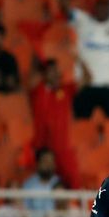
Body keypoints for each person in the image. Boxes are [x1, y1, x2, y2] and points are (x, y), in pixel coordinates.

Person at [61, 0, 109, 118]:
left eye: (105, 6)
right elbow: (65, 10)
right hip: (86, 84)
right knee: (80, 124)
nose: (102, 9)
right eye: (99, 5)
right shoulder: (83, 20)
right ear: (94, 7)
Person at [29, 58, 81, 189]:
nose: (55, 74)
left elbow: (87, 79)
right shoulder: (39, 91)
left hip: (62, 148)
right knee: (43, 184)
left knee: (73, 181)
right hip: (43, 148)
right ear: (45, 74)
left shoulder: (65, 90)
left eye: (56, 71)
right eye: (51, 71)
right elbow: (30, 82)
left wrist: (79, 59)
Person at [23, 147, 61, 217]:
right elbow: (24, 210)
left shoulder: (59, 182)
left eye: (51, 161)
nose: (48, 165)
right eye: (45, 161)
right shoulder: (28, 185)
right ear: (37, 163)